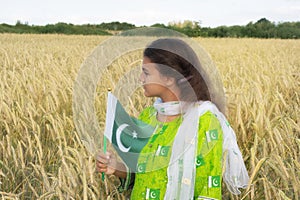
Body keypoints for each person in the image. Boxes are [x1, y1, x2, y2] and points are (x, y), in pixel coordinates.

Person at [96, 38, 248, 199]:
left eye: (146, 72)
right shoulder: (148, 116)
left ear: (169, 78)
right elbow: (144, 175)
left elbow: (207, 188)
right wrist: (115, 168)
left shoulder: (204, 121)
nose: (140, 78)